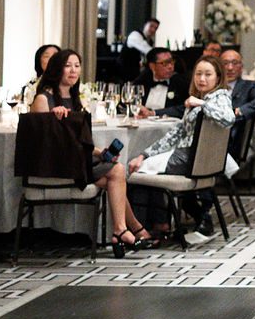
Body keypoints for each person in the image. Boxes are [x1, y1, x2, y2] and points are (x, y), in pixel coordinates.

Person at [32, 48, 156, 255]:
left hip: (73, 163)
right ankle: (128, 229)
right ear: (56, 68)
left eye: (77, 66)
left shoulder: (74, 97)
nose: (73, 70)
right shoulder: (44, 99)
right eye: (68, 65)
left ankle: (123, 230)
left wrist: (100, 153)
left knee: (114, 176)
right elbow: (41, 143)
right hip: (54, 166)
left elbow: (77, 141)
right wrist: (51, 119)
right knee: (117, 171)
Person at [127, 55, 236, 243]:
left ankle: (142, 230)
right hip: (195, 160)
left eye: (208, 74)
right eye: (198, 74)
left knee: (135, 173)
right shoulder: (200, 99)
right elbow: (175, 134)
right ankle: (163, 222)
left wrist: (201, 104)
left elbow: (228, 118)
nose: (202, 79)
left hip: (191, 159)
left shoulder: (220, 97)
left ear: (218, 78)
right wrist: (145, 154)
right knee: (144, 165)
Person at [136, 47, 186, 117]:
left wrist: (154, 113)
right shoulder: (141, 82)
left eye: (172, 62)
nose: (170, 66)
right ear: (152, 66)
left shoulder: (180, 83)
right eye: (165, 63)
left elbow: (183, 109)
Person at [22, 43, 60, 107]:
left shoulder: (71, 83)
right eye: (46, 56)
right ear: (39, 61)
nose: (52, 59)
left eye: (56, 55)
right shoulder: (31, 86)